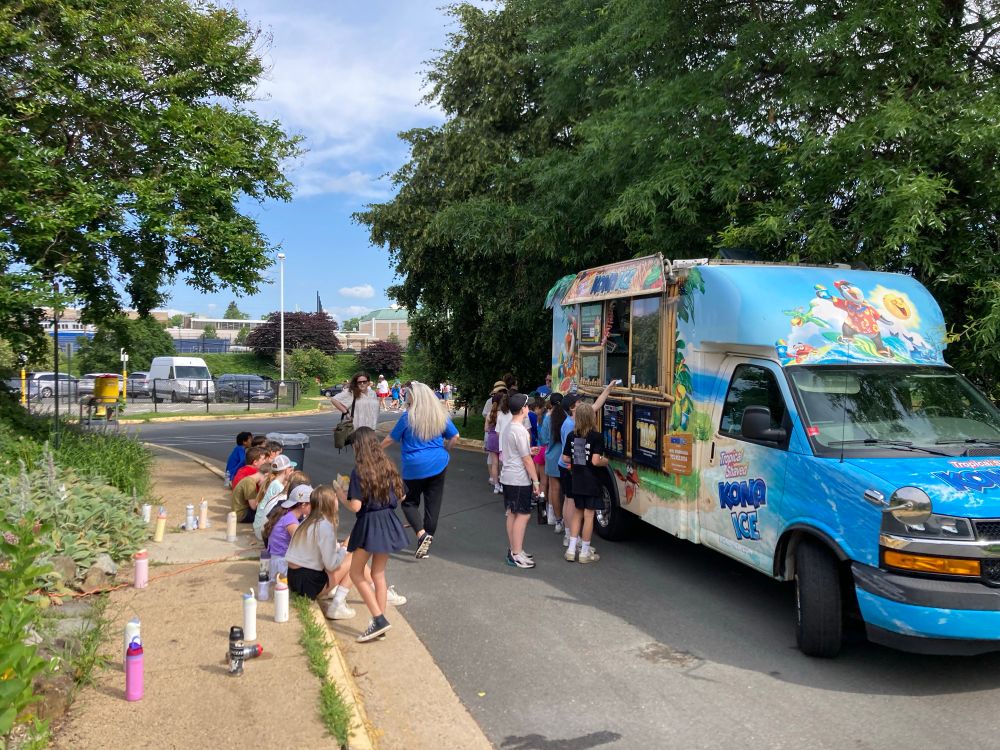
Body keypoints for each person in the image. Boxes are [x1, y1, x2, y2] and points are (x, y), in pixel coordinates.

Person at [334, 427, 409, 642]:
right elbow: (402, 496)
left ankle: (378, 619)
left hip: (369, 524)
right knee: (378, 574)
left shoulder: (359, 471)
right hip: (388, 521)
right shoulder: (388, 465)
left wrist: (341, 494)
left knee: (356, 573)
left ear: (359, 446)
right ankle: (380, 623)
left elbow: (356, 506)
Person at [382, 381, 459, 559]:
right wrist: (445, 450)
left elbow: (391, 439)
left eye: (408, 395)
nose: (406, 397)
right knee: (433, 504)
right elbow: (455, 436)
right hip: (439, 462)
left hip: (414, 466)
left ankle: (421, 534)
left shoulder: (407, 417)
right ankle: (427, 541)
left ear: (414, 398)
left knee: (409, 502)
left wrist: (375, 451)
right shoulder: (440, 416)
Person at [557, 380, 617, 547]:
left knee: (569, 501)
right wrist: (598, 461)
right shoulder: (572, 427)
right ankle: (572, 537)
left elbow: (596, 406)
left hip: (567, 466)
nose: (582, 403)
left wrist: (608, 389)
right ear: (573, 408)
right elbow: (577, 457)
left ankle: (569, 535)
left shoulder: (572, 421)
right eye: (578, 402)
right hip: (571, 468)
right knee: (573, 504)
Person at [285, 485, 357, 620]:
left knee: (348, 558)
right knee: (355, 558)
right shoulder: (325, 525)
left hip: (293, 579)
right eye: (335, 497)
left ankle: (369, 588)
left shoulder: (306, 521)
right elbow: (331, 565)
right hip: (308, 584)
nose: (337, 500)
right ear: (329, 503)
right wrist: (345, 547)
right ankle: (337, 605)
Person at [562, 402, 608, 564]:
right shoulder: (596, 436)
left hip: (577, 480)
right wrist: (605, 461)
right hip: (592, 481)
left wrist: (578, 460)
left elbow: (565, 458)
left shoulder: (572, 436)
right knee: (589, 516)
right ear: (591, 418)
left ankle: (571, 550)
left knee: (577, 513)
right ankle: (584, 553)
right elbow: (595, 461)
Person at [499, 393, 541, 569]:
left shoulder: (509, 426)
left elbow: (518, 452)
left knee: (512, 513)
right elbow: (526, 460)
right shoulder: (520, 430)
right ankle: (516, 553)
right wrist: (536, 481)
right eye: (527, 406)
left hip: (508, 476)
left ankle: (514, 550)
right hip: (518, 478)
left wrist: (528, 451)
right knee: (523, 515)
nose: (528, 408)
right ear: (523, 409)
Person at [263, 483, 312, 580]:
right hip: (282, 566)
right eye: (312, 503)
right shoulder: (291, 521)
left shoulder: (287, 514)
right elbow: (304, 544)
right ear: (303, 505)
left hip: (277, 562)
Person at [252, 455, 297, 541]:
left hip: (259, 527)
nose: (292, 472)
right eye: (290, 469)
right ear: (286, 470)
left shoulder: (273, 482)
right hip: (262, 531)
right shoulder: (278, 487)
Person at [542, 393, 566, 533]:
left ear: (550, 404)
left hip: (552, 458)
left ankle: (558, 521)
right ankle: (569, 524)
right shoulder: (568, 417)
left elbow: (544, 439)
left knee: (555, 490)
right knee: (568, 493)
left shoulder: (547, 419)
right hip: (566, 458)